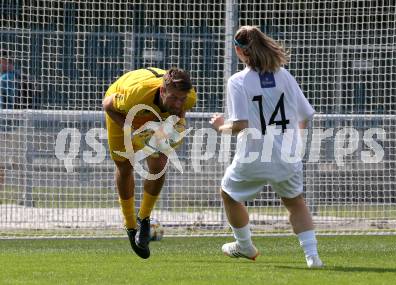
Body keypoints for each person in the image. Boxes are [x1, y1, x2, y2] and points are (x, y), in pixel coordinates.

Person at [210, 26, 323, 268]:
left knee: (228, 194)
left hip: (253, 155)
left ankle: (244, 244)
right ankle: (313, 257)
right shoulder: (284, 75)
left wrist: (220, 126)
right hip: (286, 155)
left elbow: (240, 125)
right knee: (295, 203)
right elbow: (305, 114)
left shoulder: (237, 81)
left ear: (239, 51)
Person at [102, 67, 196, 259]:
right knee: (125, 165)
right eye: (174, 98)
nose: (178, 103)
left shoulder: (189, 96)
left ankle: (144, 218)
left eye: (182, 99)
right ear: (162, 91)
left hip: (158, 114)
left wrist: (177, 125)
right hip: (123, 110)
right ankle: (130, 226)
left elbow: (179, 111)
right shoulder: (135, 94)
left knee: (160, 164)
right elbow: (107, 105)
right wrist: (133, 131)